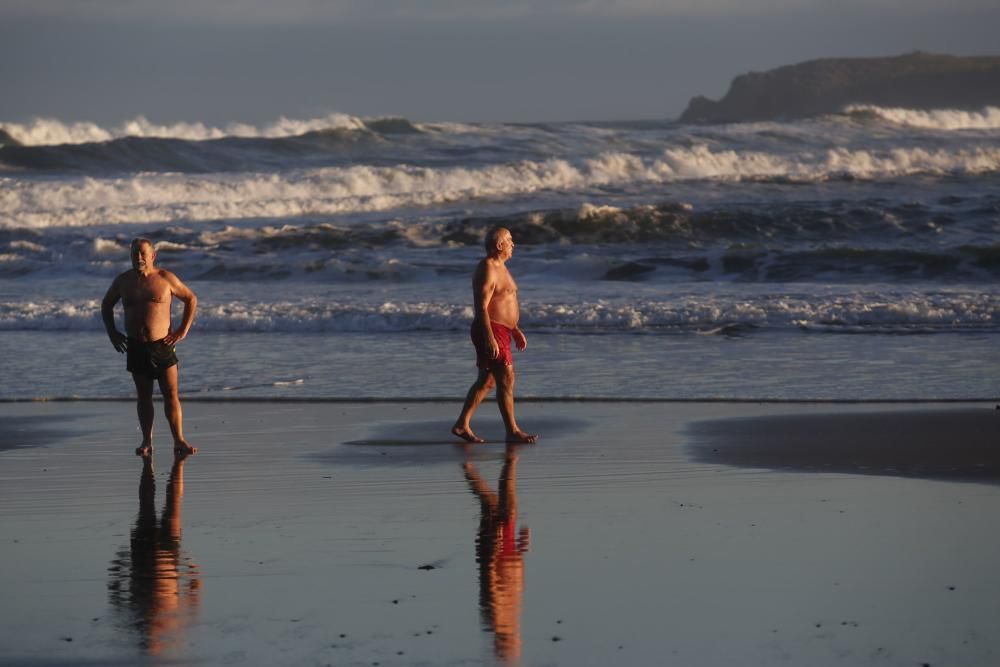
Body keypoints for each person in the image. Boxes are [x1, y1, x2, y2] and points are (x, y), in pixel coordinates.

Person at [102, 238, 198, 456]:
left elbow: (191, 299)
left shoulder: (166, 279)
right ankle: (146, 442)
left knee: (171, 393)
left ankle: (179, 440)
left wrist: (183, 330)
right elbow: (106, 305)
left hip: (163, 344)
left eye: (143, 254)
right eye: (135, 254)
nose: (139, 258)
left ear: (152, 256)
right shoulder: (123, 281)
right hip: (136, 346)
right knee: (143, 395)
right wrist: (112, 333)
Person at [452, 227, 537, 444]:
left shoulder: (503, 268)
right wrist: (489, 336)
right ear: (499, 245)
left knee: (487, 381)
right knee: (506, 378)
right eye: (509, 240)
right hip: (490, 329)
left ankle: (462, 425)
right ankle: (512, 431)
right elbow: (481, 306)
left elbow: (503, 302)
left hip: (503, 330)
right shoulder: (488, 267)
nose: (513, 243)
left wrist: (515, 329)